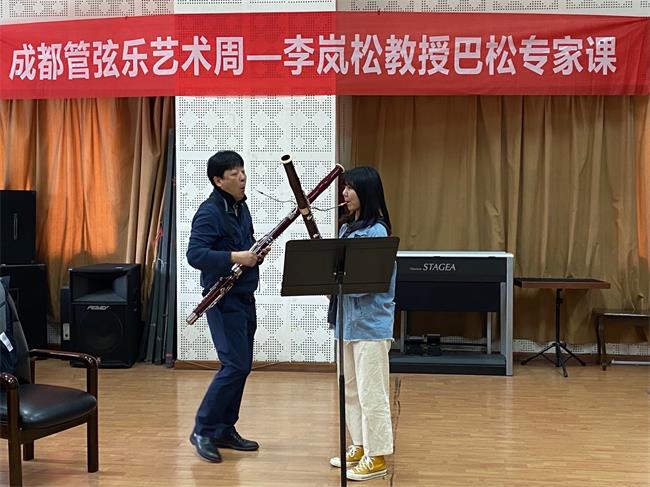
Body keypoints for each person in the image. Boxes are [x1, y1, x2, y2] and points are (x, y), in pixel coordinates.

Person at [186, 150, 268, 463]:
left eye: (242, 171)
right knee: (234, 365)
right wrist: (235, 256)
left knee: (241, 366)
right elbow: (195, 255)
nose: (242, 177)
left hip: (244, 295)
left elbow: (245, 246)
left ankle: (223, 428)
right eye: (234, 173)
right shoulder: (210, 212)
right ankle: (203, 430)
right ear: (218, 180)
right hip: (223, 300)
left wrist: (255, 255)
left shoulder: (240, 207)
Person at [328, 166, 396, 481]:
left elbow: (365, 282)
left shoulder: (377, 232)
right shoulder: (347, 229)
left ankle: (377, 455)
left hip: (370, 325)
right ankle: (359, 444)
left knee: (372, 393)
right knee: (351, 390)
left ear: (366, 192)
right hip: (346, 323)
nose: (344, 193)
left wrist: (334, 279)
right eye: (344, 187)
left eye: (350, 188)